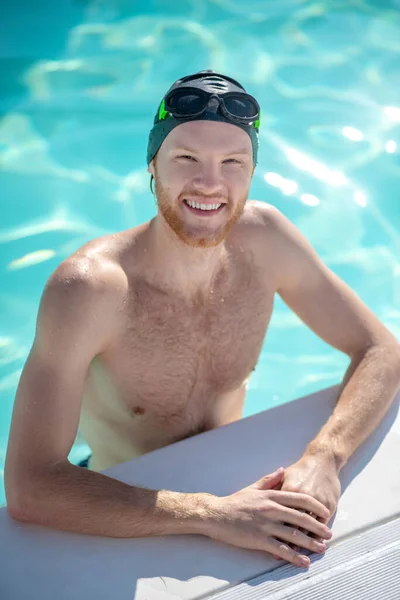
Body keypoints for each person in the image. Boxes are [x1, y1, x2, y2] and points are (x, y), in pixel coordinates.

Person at [5, 70, 400, 569]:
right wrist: (211, 514)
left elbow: (380, 349)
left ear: (252, 172)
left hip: (244, 491)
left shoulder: (266, 239)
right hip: (124, 516)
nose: (210, 184)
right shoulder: (91, 289)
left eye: (232, 162)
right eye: (186, 158)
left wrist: (326, 455)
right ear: (153, 166)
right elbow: (30, 485)